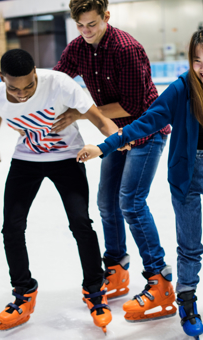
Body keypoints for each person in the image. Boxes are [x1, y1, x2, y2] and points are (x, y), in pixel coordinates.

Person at [76, 28, 203, 338]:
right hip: (187, 175)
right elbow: (147, 121)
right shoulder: (181, 89)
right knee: (189, 247)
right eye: (196, 60)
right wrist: (104, 146)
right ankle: (187, 302)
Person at [52, 0, 174, 322]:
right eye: (80, 26)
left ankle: (159, 280)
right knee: (107, 203)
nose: (86, 32)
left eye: (92, 24)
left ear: (106, 16)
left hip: (147, 130)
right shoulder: (78, 47)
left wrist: (80, 112)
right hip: (116, 134)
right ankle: (117, 267)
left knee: (131, 203)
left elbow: (134, 105)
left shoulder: (126, 49)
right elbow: (58, 80)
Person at [0, 49, 117, 333]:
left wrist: (118, 137)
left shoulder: (59, 83)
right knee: (11, 227)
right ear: (2, 79)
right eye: (13, 88)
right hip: (26, 161)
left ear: (36, 73)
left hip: (68, 159)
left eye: (28, 86)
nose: (21, 94)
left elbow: (96, 117)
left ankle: (95, 290)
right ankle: (23, 293)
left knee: (81, 223)